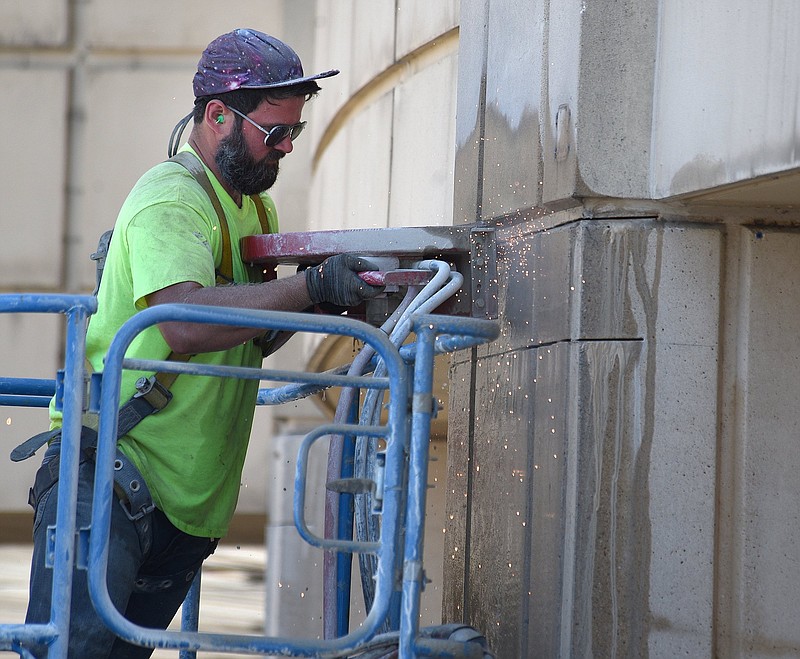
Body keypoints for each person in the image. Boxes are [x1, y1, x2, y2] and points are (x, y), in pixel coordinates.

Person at [22, 28, 383, 658]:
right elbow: (183, 323)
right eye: (276, 133)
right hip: (114, 479)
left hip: (185, 506)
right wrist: (309, 289)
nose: (287, 148)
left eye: (294, 133)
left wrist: (320, 297)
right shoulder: (171, 198)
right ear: (217, 115)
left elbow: (241, 337)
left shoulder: (252, 211)